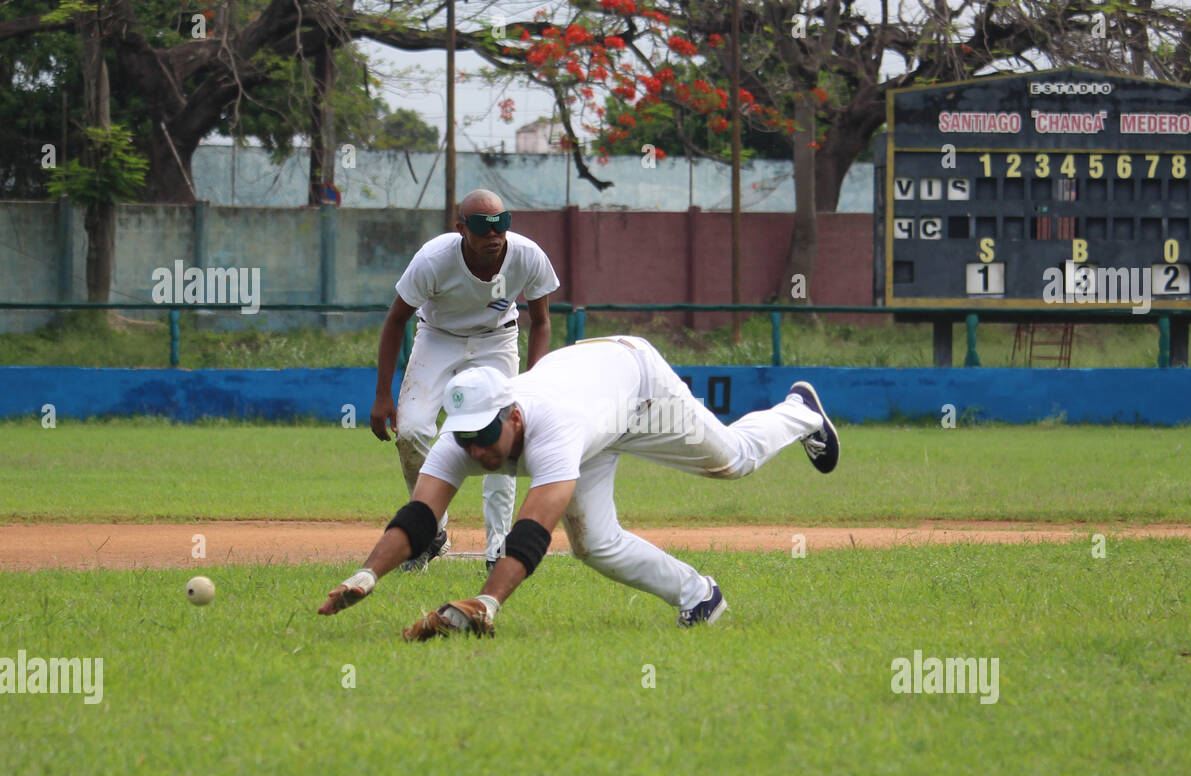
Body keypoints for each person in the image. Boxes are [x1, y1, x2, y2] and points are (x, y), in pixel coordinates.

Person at [320, 335, 840, 637]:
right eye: (466, 437)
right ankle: (701, 596)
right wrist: (365, 576)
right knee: (596, 544)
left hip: (637, 389)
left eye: (485, 434)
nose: (476, 449)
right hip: (591, 399)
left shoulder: (554, 429)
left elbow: (531, 531)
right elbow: (418, 517)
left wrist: (487, 603)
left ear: (515, 416)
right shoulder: (462, 438)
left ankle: (798, 412)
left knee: (733, 460)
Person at [370, 189, 561, 572]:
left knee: (504, 438)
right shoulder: (432, 260)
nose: (495, 235)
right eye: (482, 226)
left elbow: (540, 323)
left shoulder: (528, 256)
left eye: (502, 224)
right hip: (438, 337)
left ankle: (498, 550)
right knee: (410, 431)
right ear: (461, 228)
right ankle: (432, 531)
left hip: (497, 339)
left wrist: (533, 384)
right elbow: (395, 321)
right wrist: (382, 396)